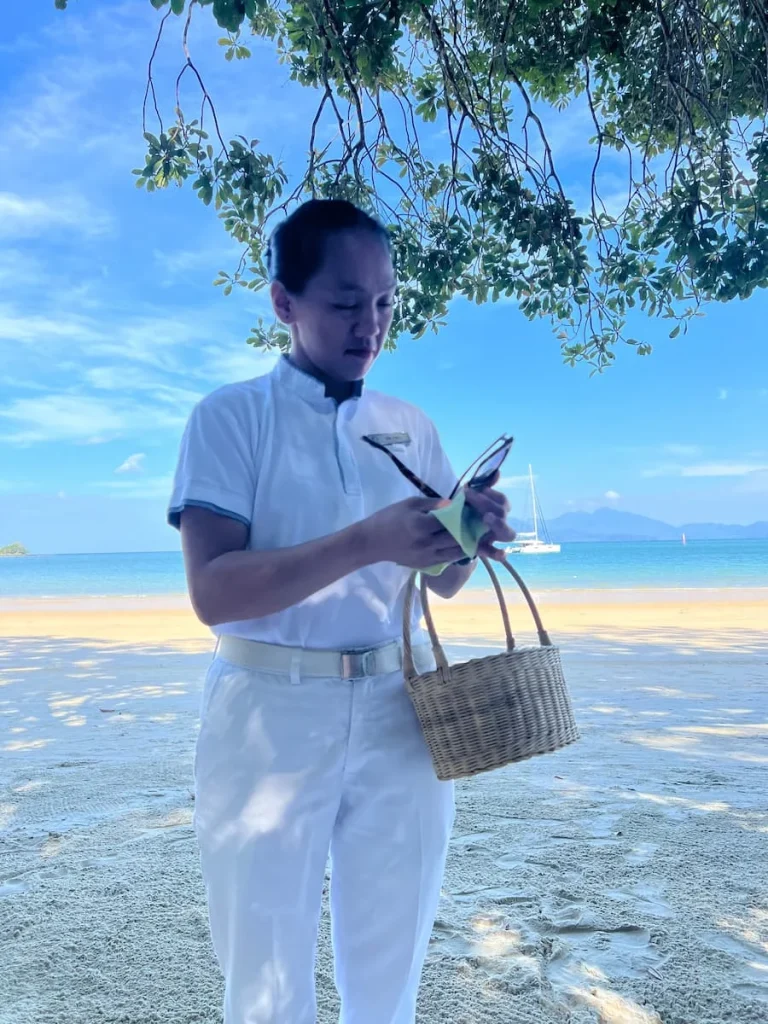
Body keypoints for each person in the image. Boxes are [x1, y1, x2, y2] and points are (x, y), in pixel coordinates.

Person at [167, 198, 515, 1024]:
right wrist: (366, 541)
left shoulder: (408, 425)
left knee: (390, 964)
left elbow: (441, 587)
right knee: (263, 973)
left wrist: (469, 535)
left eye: (388, 301)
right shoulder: (230, 418)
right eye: (346, 302)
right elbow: (213, 592)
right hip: (267, 713)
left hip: (404, 709)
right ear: (284, 301)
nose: (372, 325)